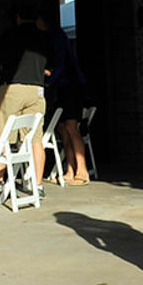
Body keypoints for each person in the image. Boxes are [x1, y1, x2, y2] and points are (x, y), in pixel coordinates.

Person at [0, 4, 54, 193]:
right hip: (37, 91)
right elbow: (50, 69)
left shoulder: (10, 34)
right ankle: (38, 185)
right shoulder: (44, 37)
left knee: (3, 137)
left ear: (17, 17)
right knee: (35, 138)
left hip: (13, 89)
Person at [43, 12, 89, 185]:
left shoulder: (56, 37)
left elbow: (60, 65)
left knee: (71, 126)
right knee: (62, 128)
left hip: (71, 85)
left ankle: (82, 171)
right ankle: (70, 169)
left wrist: (48, 81)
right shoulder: (52, 36)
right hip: (62, 86)